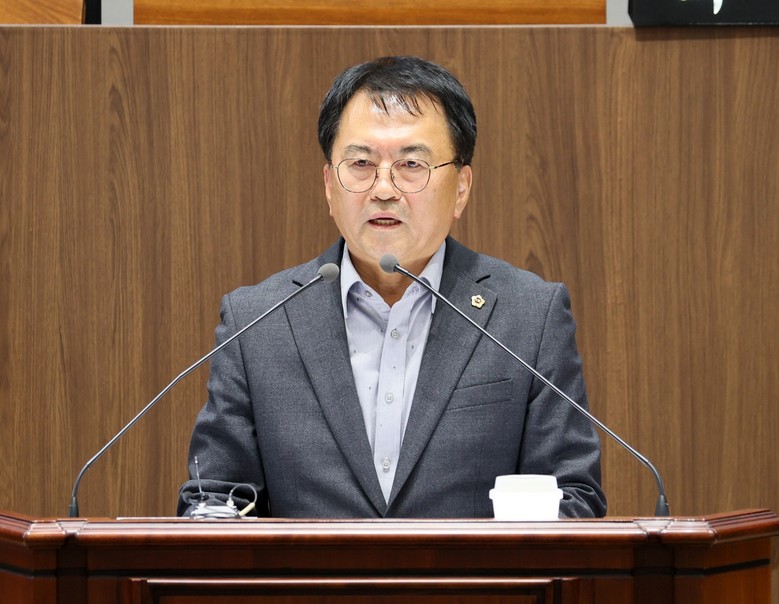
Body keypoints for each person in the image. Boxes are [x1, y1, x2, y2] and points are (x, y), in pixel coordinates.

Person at [177, 56, 606, 518]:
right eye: (361, 163)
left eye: (411, 164)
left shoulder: (528, 316)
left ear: (462, 188)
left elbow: (573, 498)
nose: (384, 189)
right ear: (329, 184)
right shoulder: (257, 322)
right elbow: (215, 500)